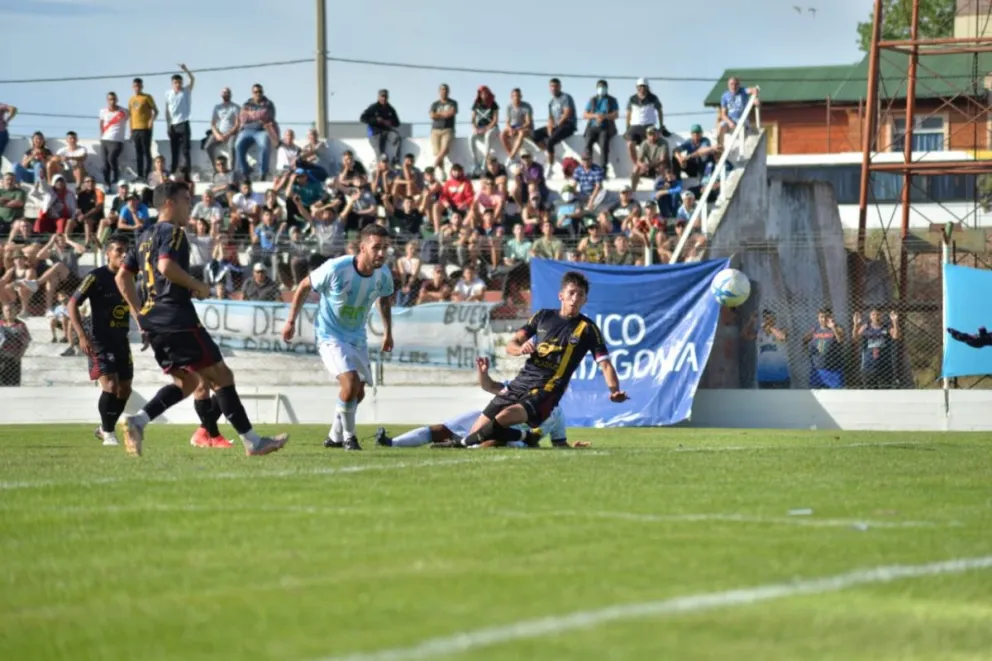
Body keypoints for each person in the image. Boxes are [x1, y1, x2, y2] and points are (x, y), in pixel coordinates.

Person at [115, 181, 288, 457]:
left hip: (155, 322)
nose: (191, 207)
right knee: (222, 375)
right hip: (177, 317)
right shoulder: (173, 232)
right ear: (169, 203)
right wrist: (199, 286)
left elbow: (122, 277)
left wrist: (140, 316)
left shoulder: (144, 236)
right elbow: (166, 267)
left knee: (188, 382)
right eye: (186, 199)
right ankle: (253, 442)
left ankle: (138, 421)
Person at [459, 271, 628, 447]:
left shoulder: (588, 329)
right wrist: (520, 349)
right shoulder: (543, 316)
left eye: (581, 295)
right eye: (571, 293)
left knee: (502, 419)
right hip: (520, 383)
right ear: (561, 295)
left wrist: (614, 390)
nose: (575, 298)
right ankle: (524, 437)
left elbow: (605, 364)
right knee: (480, 439)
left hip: (547, 389)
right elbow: (512, 343)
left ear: (585, 300)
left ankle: (461, 443)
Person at [281, 224, 394, 451]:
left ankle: (334, 436)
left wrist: (388, 332)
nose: (381, 253)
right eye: (376, 248)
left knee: (357, 392)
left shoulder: (383, 274)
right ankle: (349, 438)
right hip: (329, 334)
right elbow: (304, 285)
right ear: (362, 248)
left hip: (357, 336)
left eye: (385, 248)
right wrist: (291, 320)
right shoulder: (336, 268)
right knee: (350, 382)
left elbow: (384, 299)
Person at [374, 356, 589, 449]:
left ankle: (461, 446)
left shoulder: (556, 414)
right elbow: (489, 386)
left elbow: (559, 443)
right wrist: (483, 373)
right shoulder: (521, 385)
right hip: (485, 419)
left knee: (494, 439)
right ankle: (391, 443)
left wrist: (573, 447)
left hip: (512, 439)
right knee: (441, 429)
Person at [66, 235, 134, 446]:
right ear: (108, 254)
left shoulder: (129, 277)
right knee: (111, 386)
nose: (123, 255)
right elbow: (72, 304)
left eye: (126, 251)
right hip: (99, 340)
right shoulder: (96, 277)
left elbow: (134, 304)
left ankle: (104, 428)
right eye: (118, 251)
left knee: (125, 390)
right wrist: (82, 336)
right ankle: (109, 433)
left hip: (121, 340)